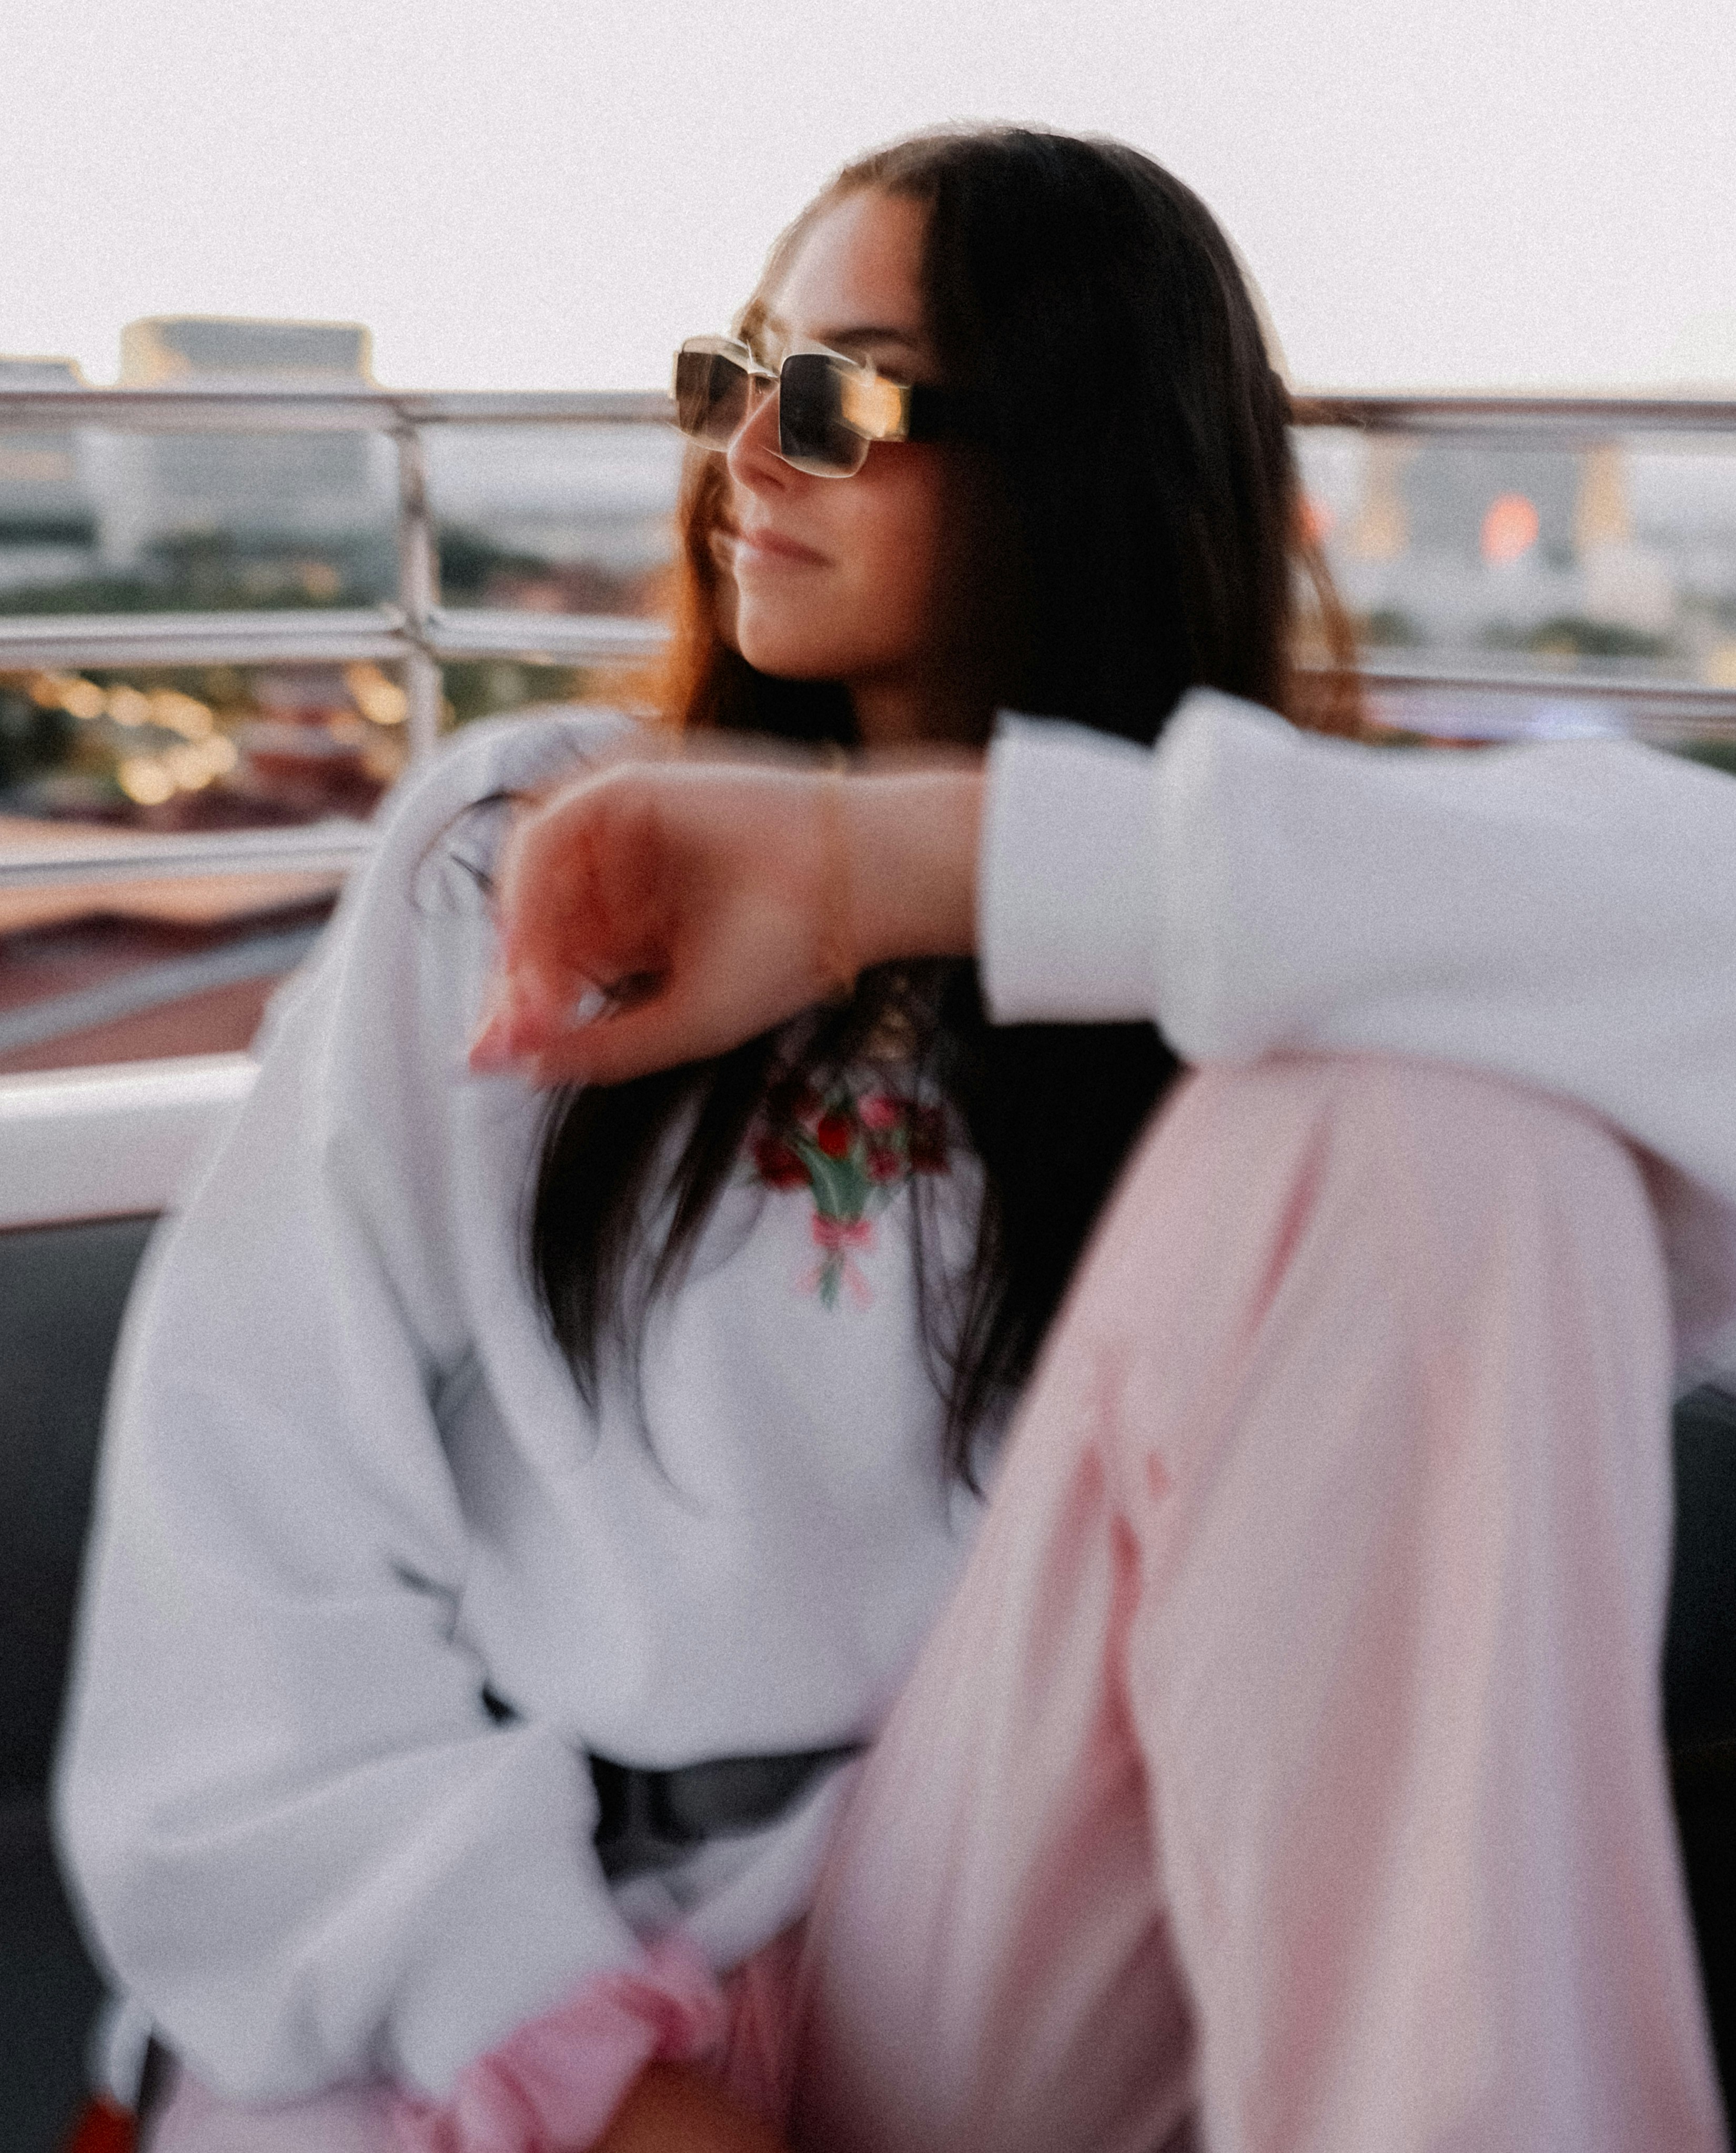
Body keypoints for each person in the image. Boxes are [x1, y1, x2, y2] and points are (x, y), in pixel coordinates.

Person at [55, 127, 1729, 2153]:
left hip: (981, 1938)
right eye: (730, 377)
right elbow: (245, 1521)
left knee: (1447, 1130)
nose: (747, 454)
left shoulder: (1240, 901)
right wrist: (585, 2066)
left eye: (838, 396)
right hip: (489, 1953)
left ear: (1080, 462)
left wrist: (914, 863)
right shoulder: (526, 852)